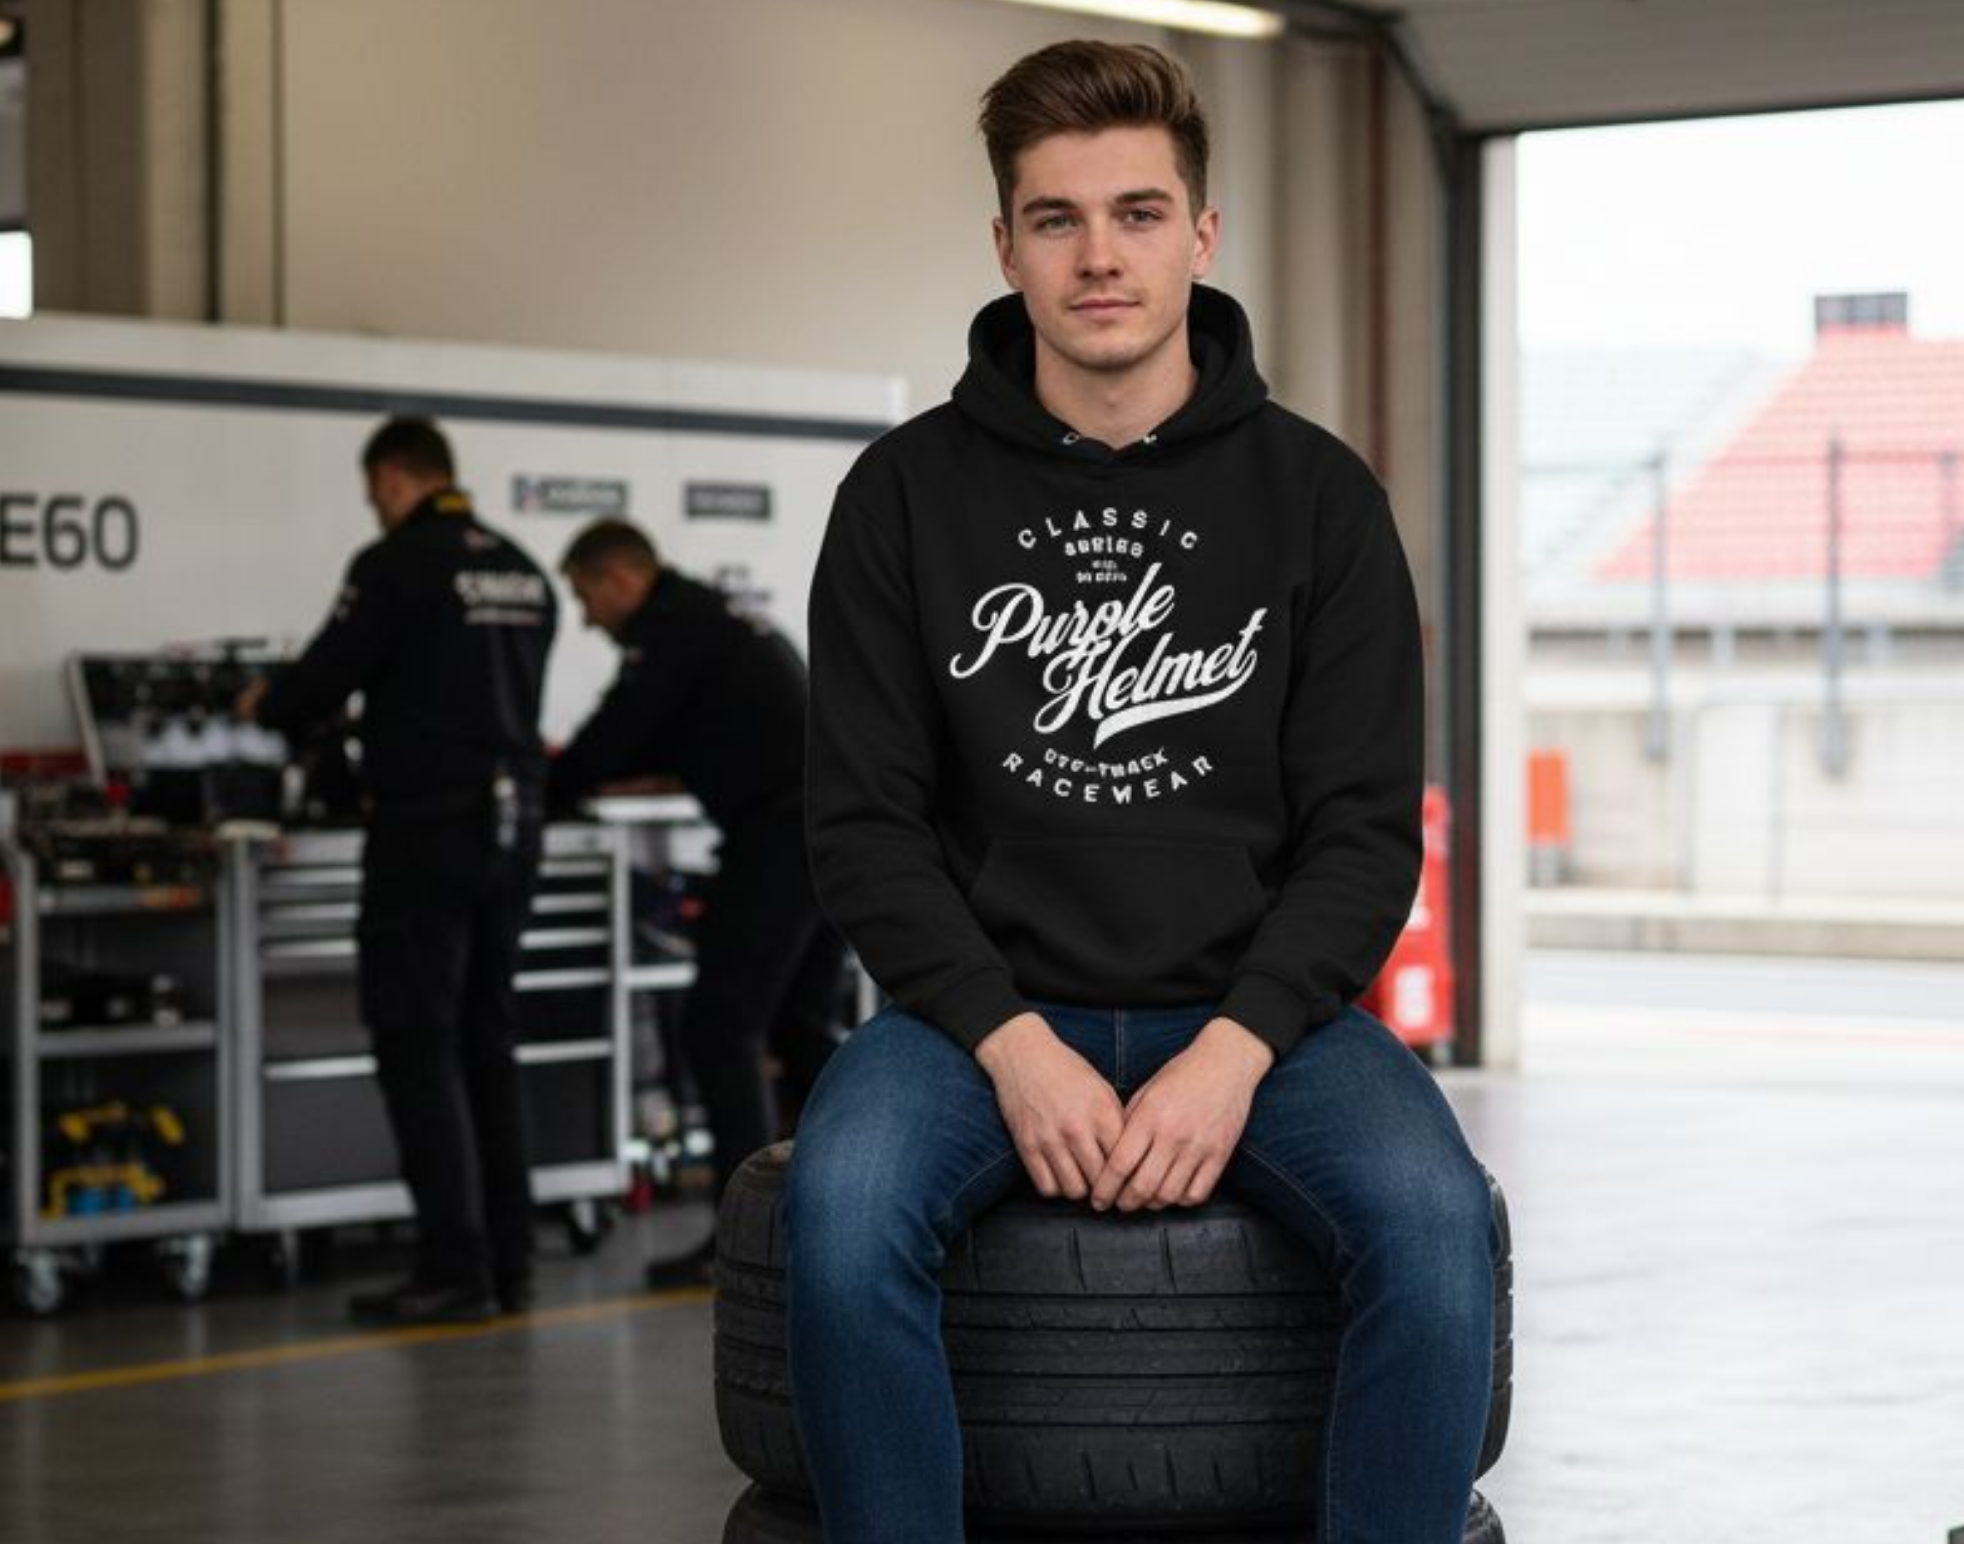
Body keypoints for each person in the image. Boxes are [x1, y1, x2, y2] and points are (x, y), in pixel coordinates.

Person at [784, 40, 1500, 1544]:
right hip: (971, 1020)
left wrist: (1235, 1049)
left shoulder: (1319, 499)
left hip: (1264, 1023)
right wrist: (1010, 1045)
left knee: (1438, 1229)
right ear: (1005, 246)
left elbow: (1364, 833)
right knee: (838, 1214)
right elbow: (862, 826)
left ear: (1201, 234)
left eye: (1137, 213)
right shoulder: (900, 497)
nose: (1098, 256)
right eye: (1056, 218)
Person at [240, 415, 556, 1327]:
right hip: (514, 829)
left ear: (391, 479)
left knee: (416, 1040)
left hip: (427, 832)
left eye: (373, 492)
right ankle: (510, 1262)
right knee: (487, 1041)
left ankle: (452, 1265)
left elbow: (319, 683)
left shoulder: (394, 565)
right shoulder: (522, 569)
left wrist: (267, 703)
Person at [546, 518, 845, 1285]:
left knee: (721, 1025)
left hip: (780, 836)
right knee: (800, 1028)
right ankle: (858, 1212)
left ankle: (744, 1241)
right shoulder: (711, 619)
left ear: (620, 579)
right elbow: (676, 731)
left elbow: (615, 736)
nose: (587, 618)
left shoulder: (671, 631)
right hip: (829, 830)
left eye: (585, 597)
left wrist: (545, 788)